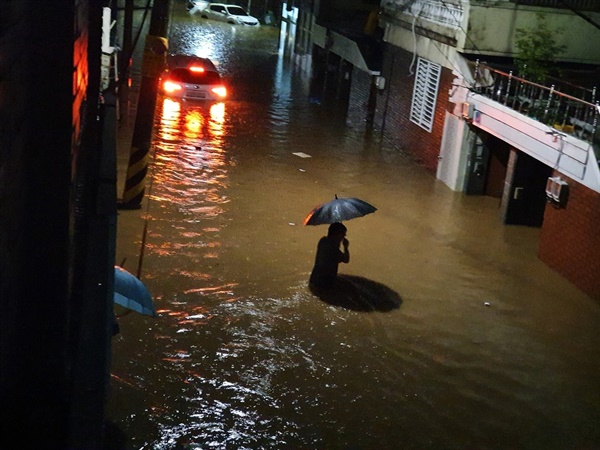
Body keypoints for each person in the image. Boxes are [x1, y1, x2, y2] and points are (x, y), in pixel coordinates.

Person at [309, 222, 350, 290]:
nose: (343, 237)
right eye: (342, 234)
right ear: (336, 235)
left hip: (314, 279)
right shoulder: (333, 249)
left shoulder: (323, 241)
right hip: (325, 283)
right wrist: (346, 247)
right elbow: (346, 260)